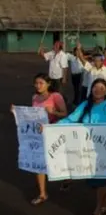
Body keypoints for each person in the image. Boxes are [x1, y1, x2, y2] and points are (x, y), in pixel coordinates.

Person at [58, 79, 106, 215]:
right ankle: (105, 203)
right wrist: (53, 127)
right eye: (95, 87)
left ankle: (98, 209)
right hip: (87, 149)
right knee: (94, 181)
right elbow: (71, 119)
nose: (97, 90)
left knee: (102, 180)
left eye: (101, 88)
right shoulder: (85, 105)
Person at [25, 74, 68, 205]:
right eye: (36, 83)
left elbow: (65, 113)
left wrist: (53, 112)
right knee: (39, 162)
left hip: (53, 131)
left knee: (57, 159)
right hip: (39, 133)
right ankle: (43, 193)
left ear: (48, 84)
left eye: (41, 83)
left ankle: (66, 177)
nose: (38, 86)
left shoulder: (56, 96)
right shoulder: (35, 97)